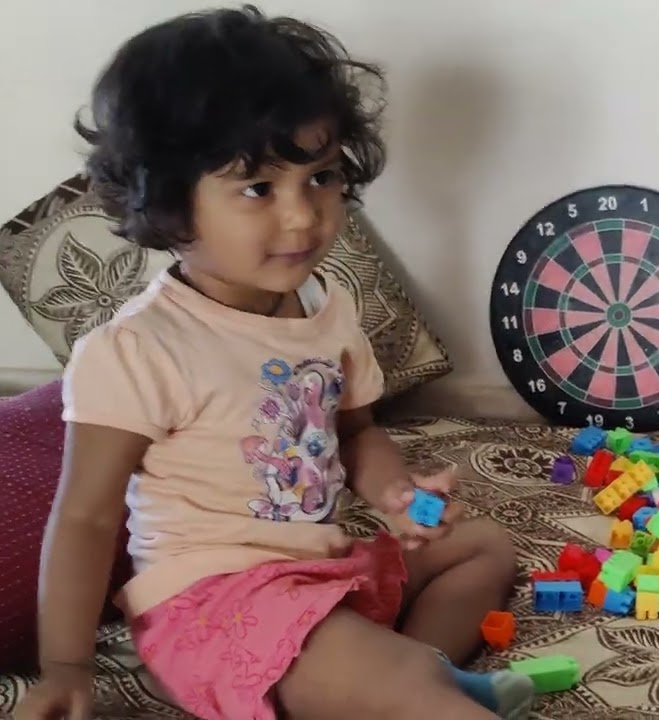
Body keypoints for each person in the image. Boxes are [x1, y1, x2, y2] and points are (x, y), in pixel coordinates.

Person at [15, 7, 529, 720]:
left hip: (321, 569)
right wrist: (66, 666)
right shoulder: (136, 350)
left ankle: (416, 675)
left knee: (482, 546)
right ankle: (415, 688)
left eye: (319, 178)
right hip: (213, 606)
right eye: (258, 189)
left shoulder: (327, 307)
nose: (302, 216)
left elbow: (357, 434)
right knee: (407, 690)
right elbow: (85, 518)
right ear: (168, 207)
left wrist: (396, 494)